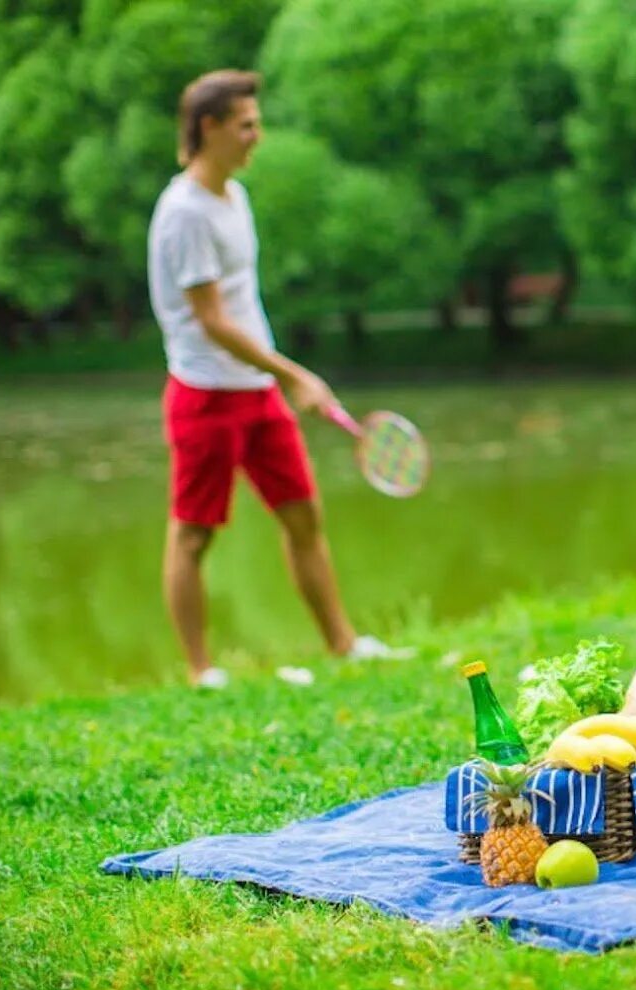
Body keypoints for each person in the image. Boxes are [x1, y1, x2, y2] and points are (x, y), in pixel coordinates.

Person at [148, 69, 402, 688]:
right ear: (209, 128)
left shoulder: (234, 197)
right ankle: (200, 670)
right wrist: (293, 374)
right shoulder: (184, 213)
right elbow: (210, 320)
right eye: (246, 125)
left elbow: (241, 304)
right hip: (205, 395)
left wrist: (275, 379)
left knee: (302, 516)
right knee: (193, 535)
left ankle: (343, 643)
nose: (256, 136)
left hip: (256, 392)